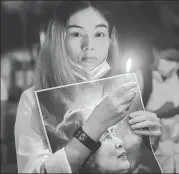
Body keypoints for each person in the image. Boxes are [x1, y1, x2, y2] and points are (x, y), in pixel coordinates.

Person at [14, 1, 161, 173]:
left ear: (110, 40)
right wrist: (94, 126)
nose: (88, 45)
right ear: (59, 39)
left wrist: (147, 143)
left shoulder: (123, 90)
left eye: (99, 34)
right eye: (76, 34)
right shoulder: (32, 99)